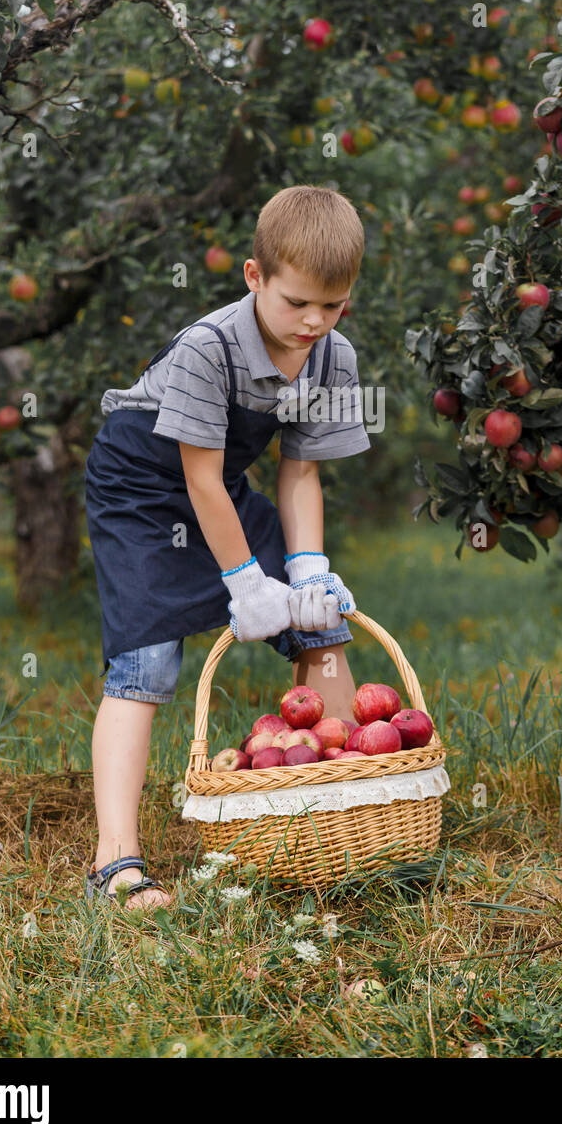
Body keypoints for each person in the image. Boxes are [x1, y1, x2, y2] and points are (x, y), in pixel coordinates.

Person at [83, 184, 371, 909]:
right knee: (144, 661)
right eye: (296, 302)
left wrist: (305, 569)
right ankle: (114, 862)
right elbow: (200, 480)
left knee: (321, 625)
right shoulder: (208, 349)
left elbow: (300, 469)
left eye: (332, 306)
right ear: (254, 277)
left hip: (220, 486)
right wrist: (246, 582)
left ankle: (337, 805)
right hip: (145, 489)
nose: (313, 321)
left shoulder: (334, 358)